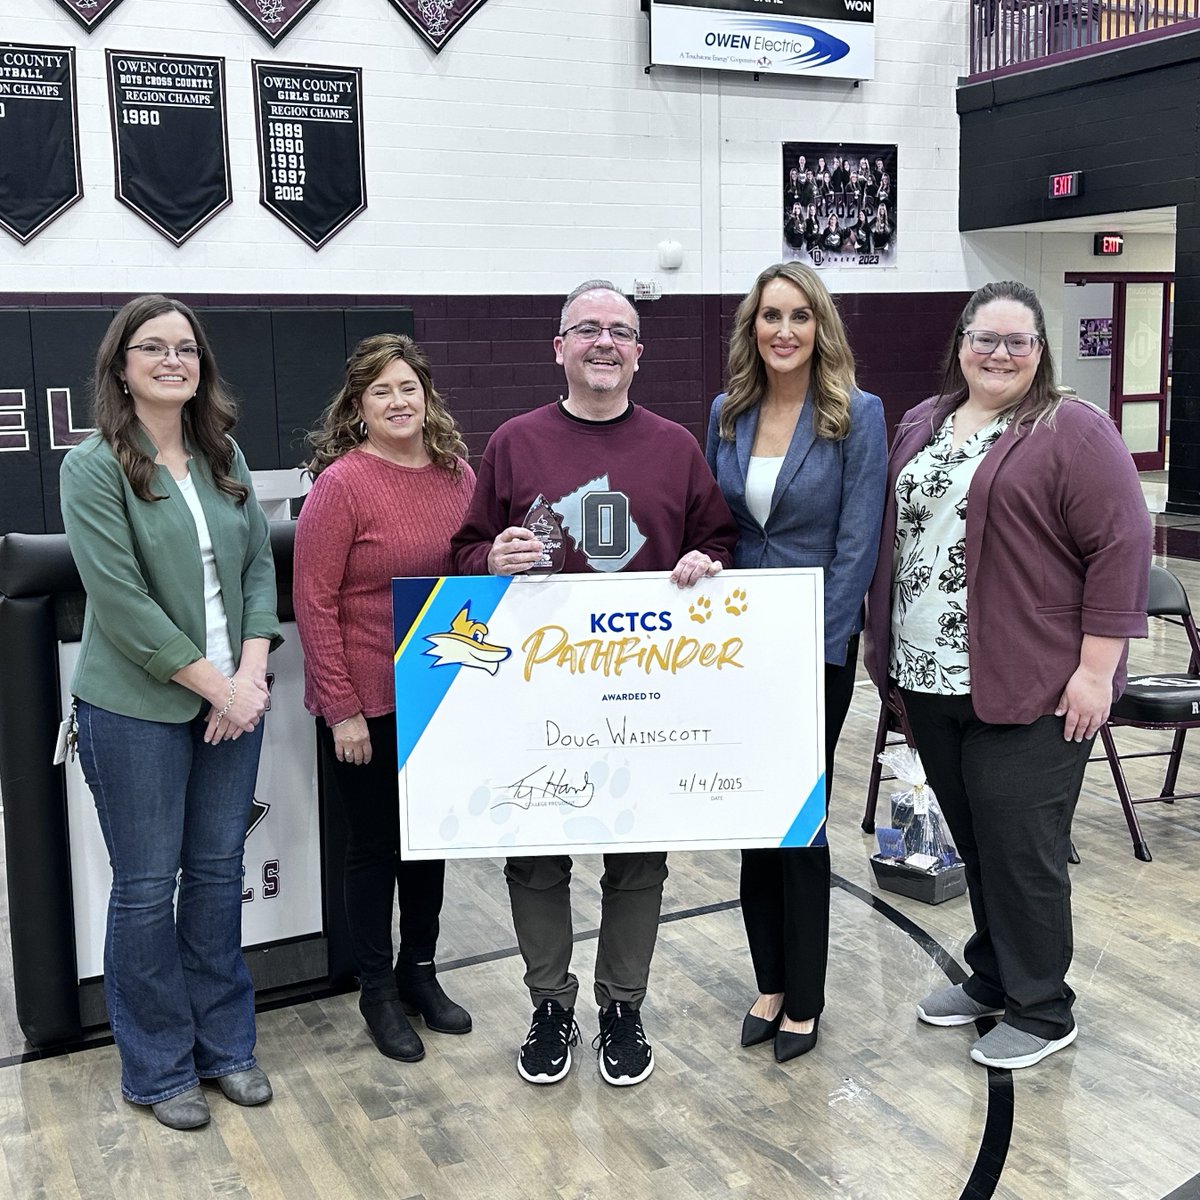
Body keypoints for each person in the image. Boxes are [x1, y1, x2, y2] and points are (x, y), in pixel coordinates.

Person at [451, 280, 737, 1088]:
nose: (605, 342)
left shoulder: (676, 446)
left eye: (621, 331)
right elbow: (466, 553)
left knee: (638, 856)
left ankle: (623, 1005)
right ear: (559, 348)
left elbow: (718, 541)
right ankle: (550, 1004)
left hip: (643, 691)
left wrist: (704, 563)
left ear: (640, 353)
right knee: (537, 856)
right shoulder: (513, 442)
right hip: (535, 694)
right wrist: (489, 560)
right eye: (588, 330)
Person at [865, 280, 1151, 1070]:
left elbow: (1122, 547)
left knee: (1022, 847)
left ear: (1039, 351)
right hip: (929, 676)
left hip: (1035, 684)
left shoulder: (1072, 430)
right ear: (960, 342)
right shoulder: (923, 421)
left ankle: (1042, 1006)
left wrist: (1098, 671)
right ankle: (993, 974)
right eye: (983, 339)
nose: (998, 354)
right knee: (978, 840)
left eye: (1016, 342)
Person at [60, 295, 280, 1130]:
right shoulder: (92, 467)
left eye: (185, 348)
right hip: (140, 710)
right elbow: (120, 603)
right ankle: (156, 1071)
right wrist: (217, 689)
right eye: (152, 348)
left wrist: (250, 676)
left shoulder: (224, 454)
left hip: (234, 698)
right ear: (122, 365)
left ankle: (227, 1048)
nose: (171, 360)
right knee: (149, 891)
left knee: (220, 878)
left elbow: (258, 569)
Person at [705, 263, 886, 1063]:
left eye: (799, 317)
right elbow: (722, 526)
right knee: (751, 815)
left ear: (821, 328)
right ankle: (769, 982)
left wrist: (816, 648)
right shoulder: (727, 411)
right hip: (739, 646)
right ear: (753, 328)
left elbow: (856, 544)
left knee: (799, 821)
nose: (784, 331)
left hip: (814, 650)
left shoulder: (858, 414)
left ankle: (806, 999)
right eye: (770, 316)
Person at [293, 334, 475, 1065]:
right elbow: (313, 602)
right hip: (365, 706)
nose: (398, 403)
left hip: (439, 695)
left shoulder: (460, 475)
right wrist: (341, 709)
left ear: (425, 395)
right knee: (373, 851)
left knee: (428, 843)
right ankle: (375, 988)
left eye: (408, 388)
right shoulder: (342, 484)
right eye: (381, 392)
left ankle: (419, 973)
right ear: (358, 407)